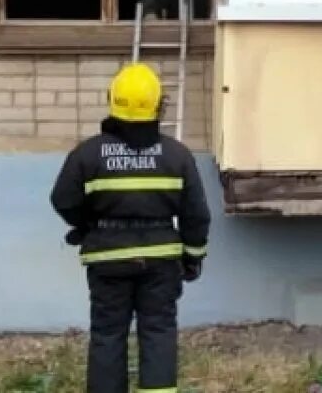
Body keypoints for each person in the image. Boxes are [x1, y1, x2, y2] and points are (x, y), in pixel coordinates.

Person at [50, 62, 211, 393]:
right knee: (158, 331)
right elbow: (196, 215)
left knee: (108, 334)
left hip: (107, 259)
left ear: (112, 100)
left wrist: (87, 225)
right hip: (162, 260)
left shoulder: (88, 154)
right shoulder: (177, 155)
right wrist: (193, 256)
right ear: (158, 105)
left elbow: (63, 200)